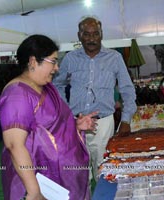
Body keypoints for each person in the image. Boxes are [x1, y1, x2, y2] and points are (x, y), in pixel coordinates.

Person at [0, 35, 98, 200]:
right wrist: (34, 191)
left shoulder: (44, 88)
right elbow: (14, 145)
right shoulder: (17, 95)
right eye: (53, 61)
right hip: (35, 180)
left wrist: (76, 125)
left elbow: (52, 125)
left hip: (57, 178)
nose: (57, 68)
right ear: (34, 61)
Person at [53, 16, 137, 181]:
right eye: (86, 34)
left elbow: (127, 89)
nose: (91, 38)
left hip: (103, 124)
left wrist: (126, 120)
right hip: (76, 124)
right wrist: (66, 112)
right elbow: (57, 84)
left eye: (95, 34)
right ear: (79, 35)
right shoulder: (70, 58)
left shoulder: (114, 58)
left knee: (104, 171)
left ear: (101, 34)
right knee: (79, 174)